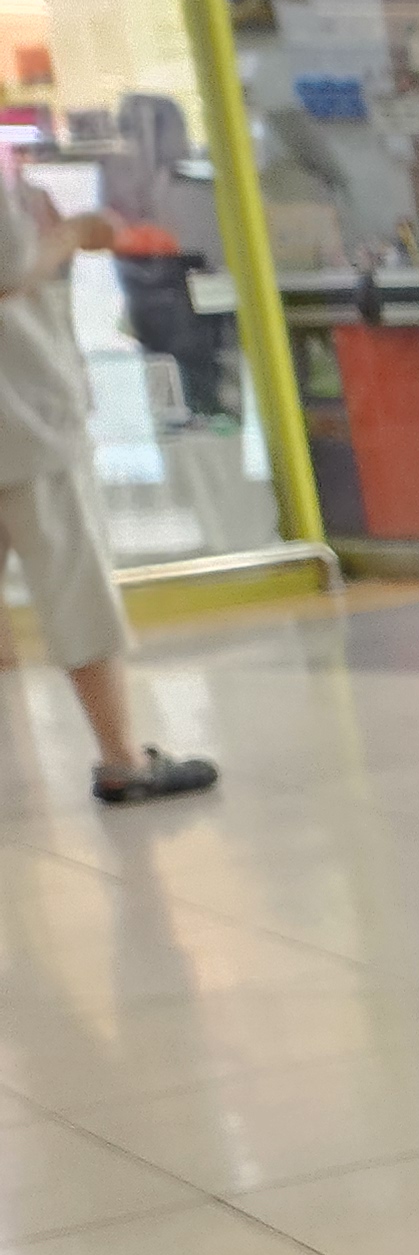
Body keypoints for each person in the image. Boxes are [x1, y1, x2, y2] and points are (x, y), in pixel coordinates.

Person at [0, 149, 218, 806]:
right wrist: (74, 232)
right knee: (75, 582)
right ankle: (122, 757)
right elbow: (9, 270)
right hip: (22, 414)